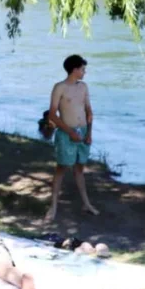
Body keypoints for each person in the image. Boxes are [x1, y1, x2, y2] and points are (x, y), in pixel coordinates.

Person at [45, 54, 99, 222]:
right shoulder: (59, 87)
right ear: (74, 69)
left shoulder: (83, 87)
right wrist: (70, 132)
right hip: (66, 133)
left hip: (82, 131)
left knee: (79, 169)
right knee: (61, 169)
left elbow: (89, 112)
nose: (84, 72)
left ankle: (86, 203)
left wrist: (89, 133)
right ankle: (53, 207)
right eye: (83, 69)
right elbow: (53, 114)